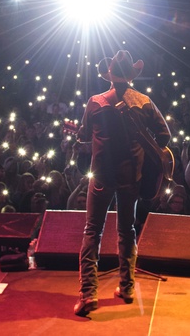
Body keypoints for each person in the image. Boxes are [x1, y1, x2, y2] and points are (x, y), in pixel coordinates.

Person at [74, 50, 171, 318]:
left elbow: (83, 136)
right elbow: (164, 136)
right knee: (127, 230)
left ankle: (88, 294)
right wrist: (143, 146)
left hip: (102, 176)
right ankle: (127, 288)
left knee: (92, 231)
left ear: (109, 75)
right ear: (131, 75)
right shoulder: (144, 101)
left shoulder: (96, 102)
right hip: (133, 177)